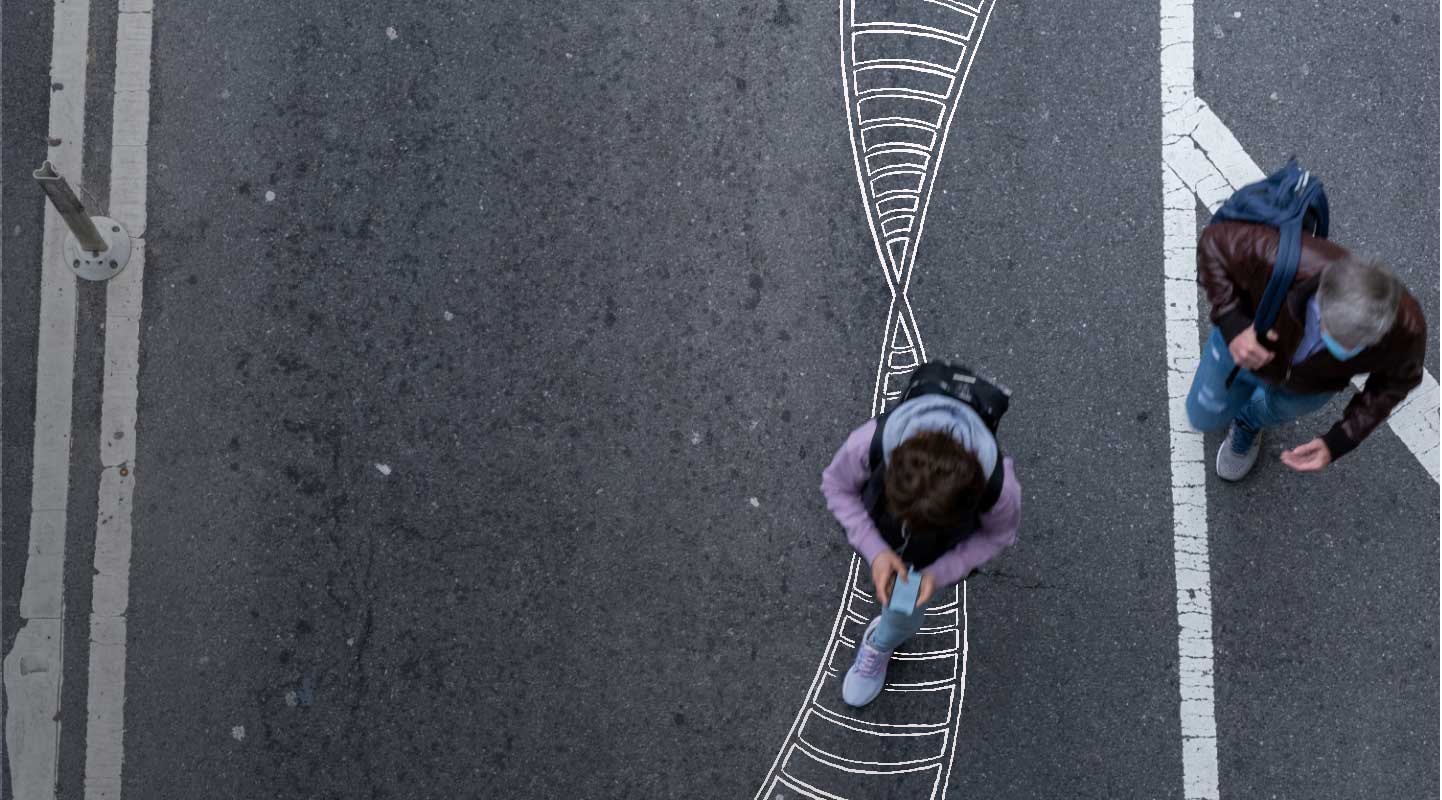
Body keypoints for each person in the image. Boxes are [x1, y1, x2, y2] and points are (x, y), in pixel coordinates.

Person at [821, 375, 1022, 708]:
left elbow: (998, 534)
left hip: (931, 558)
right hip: (896, 537)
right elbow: (836, 485)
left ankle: (883, 641)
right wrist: (877, 551)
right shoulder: (868, 443)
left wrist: (937, 573)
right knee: (902, 596)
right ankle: (889, 627)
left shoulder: (1001, 490)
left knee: (904, 609)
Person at [1188, 221, 1427, 480]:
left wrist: (1339, 440)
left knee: (1269, 410)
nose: (1344, 350)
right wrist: (1233, 323)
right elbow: (1214, 243)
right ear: (1321, 298)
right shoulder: (1286, 257)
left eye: (1359, 345)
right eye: (1335, 336)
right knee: (1203, 415)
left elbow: (1397, 382)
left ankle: (1247, 423)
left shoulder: (1406, 328)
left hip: (1310, 386)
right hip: (1244, 347)